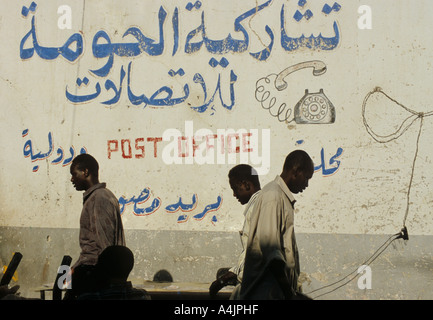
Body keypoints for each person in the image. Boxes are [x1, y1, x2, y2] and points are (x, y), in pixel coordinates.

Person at [238, 150, 314, 300]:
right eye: (306, 178)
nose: (306, 184)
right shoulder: (273, 196)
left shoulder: (281, 196)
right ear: (296, 171)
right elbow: (271, 253)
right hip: (265, 293)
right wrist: (289, 293)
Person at [66, 154, 125, 299]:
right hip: (87, 270)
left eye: (74, 174)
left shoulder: (99, 198)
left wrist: (79, 272)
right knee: (61, 282)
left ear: (85, 172)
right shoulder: (98, 197)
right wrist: (73, 269)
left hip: (93, 274)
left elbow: (105, 249)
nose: (72, 179)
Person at [209, 164, 261, 299]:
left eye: (235, 189)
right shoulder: (256, 206)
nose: (234, 194)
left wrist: (224, 279)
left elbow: (254, 251)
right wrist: (227, 276)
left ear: (246, 185)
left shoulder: (258, 207)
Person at [77, 245, 150, 300]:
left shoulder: (89, 297)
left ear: (102, 268)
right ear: (130, 268)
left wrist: (71, 292)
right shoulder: (142, 295)